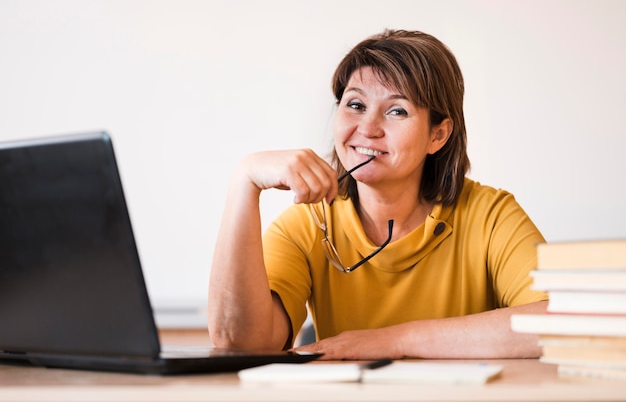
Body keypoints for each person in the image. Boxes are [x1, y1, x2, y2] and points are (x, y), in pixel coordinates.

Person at [207, 29, 548, 360]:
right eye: (355, 104)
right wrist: (244, 183)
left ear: (438, 135)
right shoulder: (308, 223)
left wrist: (394, 340)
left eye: (396, 110)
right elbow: (239, 344)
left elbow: (563, 321)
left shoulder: (490, 215)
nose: (367, 129)